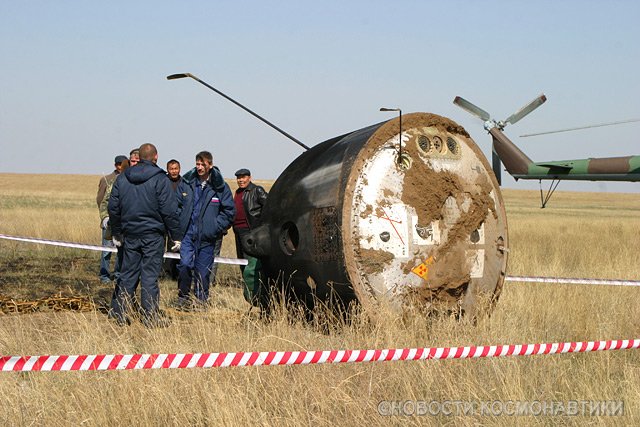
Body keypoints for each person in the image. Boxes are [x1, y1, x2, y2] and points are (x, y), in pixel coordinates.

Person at [108, 143, 182, 327]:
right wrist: (176, 235)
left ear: (139, 157)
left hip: (129, 234)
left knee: (128, 274)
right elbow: (169, 210)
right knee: (149, 276)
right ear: (156, 157)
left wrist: (116, 232)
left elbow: (113, 207)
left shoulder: (123, 178)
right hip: (153, 235)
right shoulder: (160, 180)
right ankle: (150, 317)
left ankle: (120, 315)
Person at [176, 151, 234, 310]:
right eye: (197, 164)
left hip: (207, 236)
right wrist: (178, 226)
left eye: (203, 164)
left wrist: (216, 226)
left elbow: (229, 211)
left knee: (202, 271)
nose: (199, 167)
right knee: (185, 265)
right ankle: (183, 297)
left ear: (210, 165)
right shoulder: (187, 183)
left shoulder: (220, 187)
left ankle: (201, 301)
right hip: (188, 234)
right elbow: (177, 206)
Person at [232, 168, 268, 309]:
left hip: (251, 233)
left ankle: (258, 296)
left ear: (249, 178)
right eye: (238, 178)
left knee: (252, 266)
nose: (241, 180)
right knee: (243, 263)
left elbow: (269, 205)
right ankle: (250, 293)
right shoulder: (237, 193)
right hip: (239, 232)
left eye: (243, 177)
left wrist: (261, 226)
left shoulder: (256, 190)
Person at [96, 155, 127, 283]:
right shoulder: (107, 179)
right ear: (116, 165)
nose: (121, 167)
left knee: (121, 250)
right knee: (106, 250)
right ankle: (104, 274)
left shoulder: (126, 179)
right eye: (119, 164)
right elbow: (101, 200)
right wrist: (105, 217)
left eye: (123, 164)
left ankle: (118, 273)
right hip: (109, 221)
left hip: (122, 222)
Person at [163, 159, 181, 279]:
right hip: (162, 219)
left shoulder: (184, 182)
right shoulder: (163, 182)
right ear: (167, 170)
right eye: (171, 169)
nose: (174, 171)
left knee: (174, 246)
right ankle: (162, 272)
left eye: (176, 168)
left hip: (177, 220)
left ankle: (174, 273)